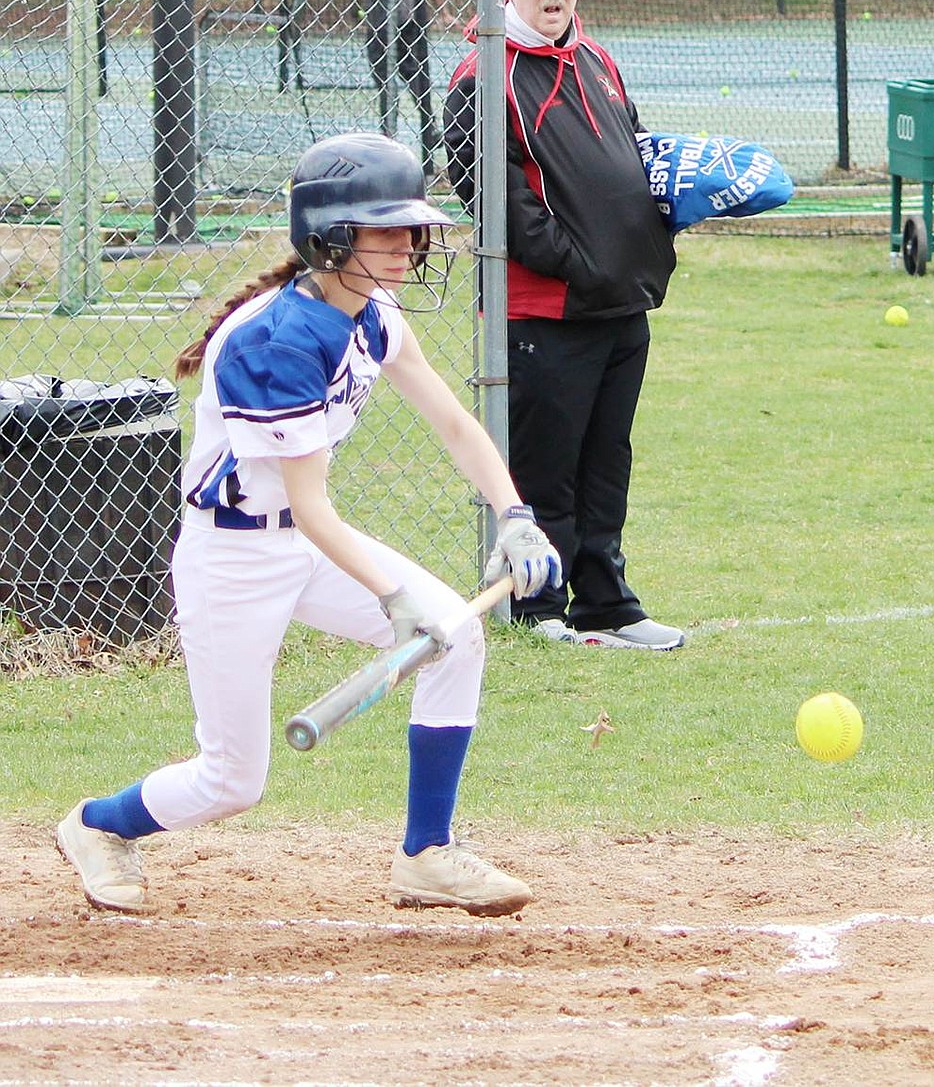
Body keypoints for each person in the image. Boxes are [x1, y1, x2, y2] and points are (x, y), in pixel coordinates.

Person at [56, 132, 561, 919]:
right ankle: (96, 825)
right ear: (328, 236)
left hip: (305, 540)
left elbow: (455, 423)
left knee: (457, 636)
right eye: (383, 230)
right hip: (232, 559)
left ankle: (425, 852)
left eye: (411, 229)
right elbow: (316, 508)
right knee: (232, 780)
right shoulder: (277, 343)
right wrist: (394, 596)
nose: (407, 247)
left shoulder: (372, 312)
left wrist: (516, 514)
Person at [443, 0, 684, 651]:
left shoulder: (598, 60)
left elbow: (635, 156)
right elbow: (498, 208)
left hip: (621, 306)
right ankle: (537, 605)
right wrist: (585, 261)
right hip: (543, 313)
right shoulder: (480, 79)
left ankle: (606, 603)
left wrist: (667, 218)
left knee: (607, 461)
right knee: (546, 470)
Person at [355, 0, 456, 178]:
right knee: (418, 82)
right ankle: (427, 136)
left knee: (386, 83)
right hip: (409, 17)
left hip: (382, 21)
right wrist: (443, 9)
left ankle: (390, 140)